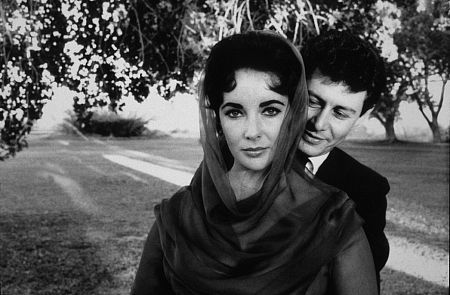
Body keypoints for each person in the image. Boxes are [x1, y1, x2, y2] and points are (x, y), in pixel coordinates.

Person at [131, 31, 377, 294]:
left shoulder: (333, 220)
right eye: (235, 112)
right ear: (218, 120)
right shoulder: (176, 216)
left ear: (293, 114)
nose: (252, 131)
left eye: (270, 110)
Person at [297, 30, 390, 289]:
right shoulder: (246, 157)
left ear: (362, 115)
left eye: (340, 112)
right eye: (312, 101)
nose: (319, 124)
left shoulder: (367, 190)